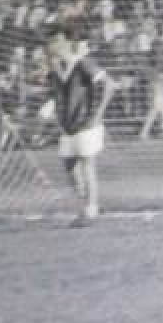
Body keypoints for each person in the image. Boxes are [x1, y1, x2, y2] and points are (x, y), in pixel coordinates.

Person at [35, 29, 113, 224]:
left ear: (66, 43)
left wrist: (98, 114)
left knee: (87, 164)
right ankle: (86, 205)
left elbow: (109, 85)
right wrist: (49, 109)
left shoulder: (83, 63)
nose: (53, 48)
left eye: (57, 43)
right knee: (69, 166)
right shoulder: (55, 70)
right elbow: (56, 94)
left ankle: (91, 208)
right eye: (51, 45)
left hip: (86, 123)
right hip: (67, 127)